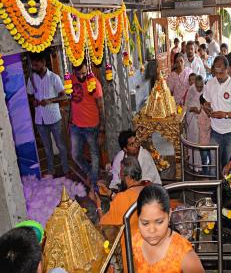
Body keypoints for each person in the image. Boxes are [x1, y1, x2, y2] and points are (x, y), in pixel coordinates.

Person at [132, 184, 205, 272]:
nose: (152, 230)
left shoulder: (182, 253)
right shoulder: (135, 240)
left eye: (159, 222)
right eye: (145, 223)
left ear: (169, 214)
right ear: (138, 217)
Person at [92, 156, 145, 273]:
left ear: (127, 176)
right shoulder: (147, 190)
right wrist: (110, 193)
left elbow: (105, 228)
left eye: (121, 173)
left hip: (131, 253)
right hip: (147, 248)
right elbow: (129, 201)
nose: (120, 176)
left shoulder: (122, 198)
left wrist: (98, 206)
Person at [27, 51, 69, 177]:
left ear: (43, 62)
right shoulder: (32, 78)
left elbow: (64, 97)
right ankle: (51, 171)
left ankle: (66, 169)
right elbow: (29, 95)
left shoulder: (54, 78)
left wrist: (50, 101)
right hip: (40, 119)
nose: (34, 68)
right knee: (47, 148)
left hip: (54, 118)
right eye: (33, 65)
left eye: (36, 65)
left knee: (61, 145)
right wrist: (33, 101)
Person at [203, 55, 231, 170]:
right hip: (215, 131)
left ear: (227, 69)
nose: (218, 76)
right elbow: (206, 101)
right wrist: (206, 108)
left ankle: (228, 188)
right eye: (216, 73)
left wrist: (225, 115)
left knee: (228, 165)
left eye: (221, 73)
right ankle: (215, 186)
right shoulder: (210, 83)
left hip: (230, 132)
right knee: (213, 165)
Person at [70, 60, 105, 189]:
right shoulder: (71, 79)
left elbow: (101, 107)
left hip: (91, 126)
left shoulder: (94, 82)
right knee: (75, 155)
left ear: (88, 69)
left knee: (94, 155)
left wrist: (102, 129)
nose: (81, 76)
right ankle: (91, 173)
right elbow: (71, 100)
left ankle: (95, 184)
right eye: (78, 73)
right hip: (76, 125)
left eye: (83, 73)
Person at [198, 94, 211, 172]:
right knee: (204, 161)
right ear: (202, 105)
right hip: (203, 143)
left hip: (210, 142)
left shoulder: (208, 113)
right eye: (206, 104)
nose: (208, 106)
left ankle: (210, 173)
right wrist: (212, 119)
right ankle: (205, 174)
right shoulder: (201, 116)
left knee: (211, 159)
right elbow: (205, 128)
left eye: (209, 104)